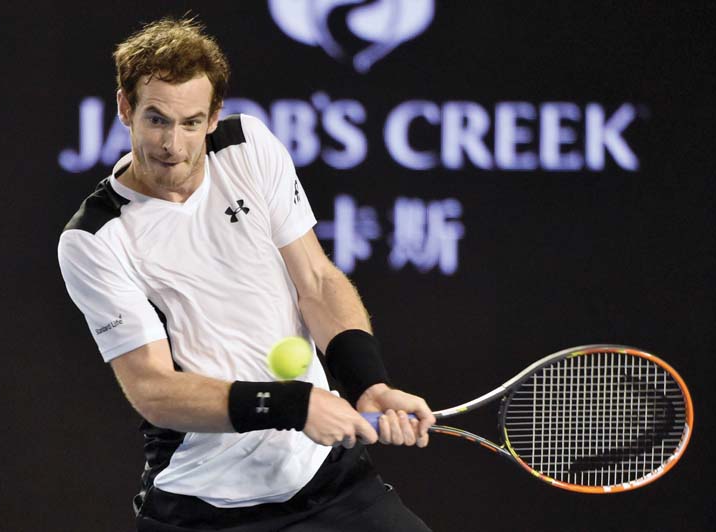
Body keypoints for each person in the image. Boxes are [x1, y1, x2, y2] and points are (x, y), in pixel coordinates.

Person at [57, 16, 435, 532]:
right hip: (202, 505)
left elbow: (317, 282)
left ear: (214, 117)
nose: (173, 143)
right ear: (125, 109)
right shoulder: (95, 238)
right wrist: (293, 404)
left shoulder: (247, 147)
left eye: (191, 122)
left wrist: (367, 382)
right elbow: (154, 390)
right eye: (156, 119)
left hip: (326, 485)